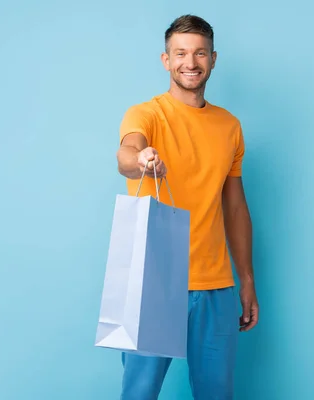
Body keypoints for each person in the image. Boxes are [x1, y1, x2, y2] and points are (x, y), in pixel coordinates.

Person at [115, 14, 259, 399]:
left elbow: (235, 208)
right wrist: (140, 157)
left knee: (216, 394)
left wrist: (245, 279)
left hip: (216, 286)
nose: (189, 63)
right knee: (139, 394)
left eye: (199, 53)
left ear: (213, 58)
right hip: (154, 283)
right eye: (180, 53)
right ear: (166, 60)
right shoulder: (147, 114)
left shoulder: (229, 126)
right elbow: (125, 154)